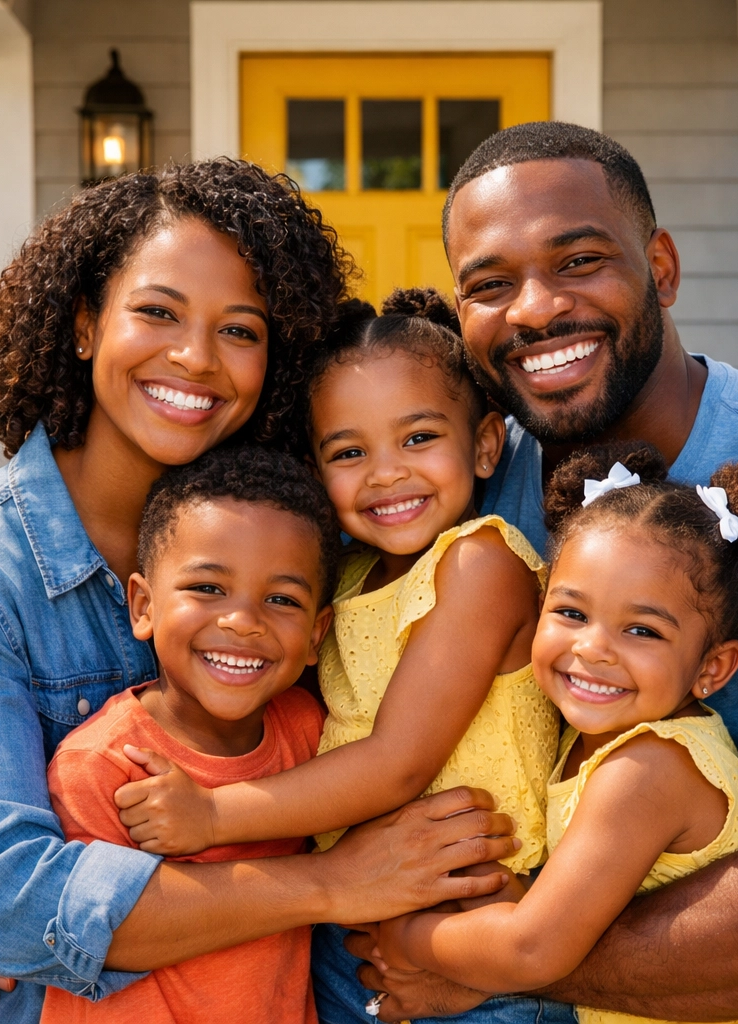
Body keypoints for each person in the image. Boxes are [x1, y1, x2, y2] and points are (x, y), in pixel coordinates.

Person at [0, 161, 520, 1024]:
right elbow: (13, 909)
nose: (195, 357)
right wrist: (331, 884)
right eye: (157, 312)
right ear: (84, 324)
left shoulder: (320, 532)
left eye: (241, 329)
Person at [348, 122, 738, 1023]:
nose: (534, 309)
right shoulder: (463, 473)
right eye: (490, 285)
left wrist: (501, 957)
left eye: (578, 261)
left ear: (664, 269)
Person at [112, 288, 562, 1024]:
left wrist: (212, 817)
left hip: (475, 935)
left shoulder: (480, 566)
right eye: (349, 452)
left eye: (418, 438)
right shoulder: (343, 581)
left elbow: (397, 764)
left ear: (484, 445)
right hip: (347, 942)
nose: (385, 473)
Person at [373, 440, 738, 1024]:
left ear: (712, 668)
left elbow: (531, 947)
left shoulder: (646, 767)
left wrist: (407, 937)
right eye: (571, 613)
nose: (592, 649)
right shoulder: (594, 736)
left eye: (642, 631)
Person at [43, 446, 339, 1024]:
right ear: (143, 605)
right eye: (207, 588)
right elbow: (89, 940)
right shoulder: (103, 765)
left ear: (315, 634)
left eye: (281, 599)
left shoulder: (310, 734)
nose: (243, 620)